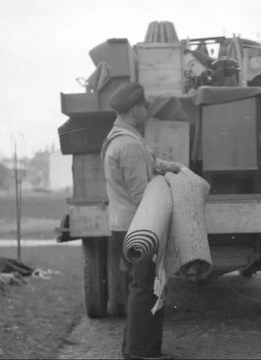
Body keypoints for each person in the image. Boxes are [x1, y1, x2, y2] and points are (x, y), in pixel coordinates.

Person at [101, 82, 182, 359]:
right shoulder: (128, 144)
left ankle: (138, 350)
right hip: (139, 226)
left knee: (142, 287)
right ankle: (140, 352)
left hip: (127, 225)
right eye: (144, 107)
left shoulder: (121, 138)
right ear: (134, 108)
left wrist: (167, 167)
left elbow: (146, 163)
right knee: (145, 289)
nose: (147, 112)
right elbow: (140, 193)